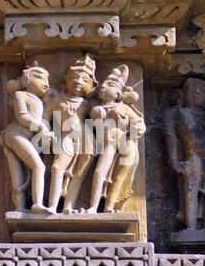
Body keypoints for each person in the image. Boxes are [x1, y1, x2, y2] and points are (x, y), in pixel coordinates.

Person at [164, 78, 205, 230]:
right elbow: (171, 137)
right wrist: (174, 160)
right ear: (182, 93)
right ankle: (191, 229)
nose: (197, 92)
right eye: (192, 89)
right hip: (192, 154)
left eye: (202, 90)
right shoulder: (174, 113)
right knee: (191, 189)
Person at [43, 55, 98, 214]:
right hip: (66, 136)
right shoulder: (55, 99)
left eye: (84, 79)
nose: (79, 81)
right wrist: (46, 131)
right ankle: (53, 206)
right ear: (66, 79)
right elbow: (44, 118)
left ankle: (68, 206)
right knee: (57, 166)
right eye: (75, 76)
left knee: (79, 173)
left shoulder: (86, 103)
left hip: (86, 138)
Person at [87, 65, 146, 214]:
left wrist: (136, 128)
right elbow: (97, 122)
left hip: (125, 144)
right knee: (100, 172)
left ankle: (109, 206)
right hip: (108, 145)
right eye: (103, 84)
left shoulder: (123, 107)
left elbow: (140, 123)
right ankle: (93, 206)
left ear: (119, 93)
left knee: (120, 176)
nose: (104, 87)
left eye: (110, 85)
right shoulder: (96, 108)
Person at [0, 64, 55, 214]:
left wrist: (46, 133)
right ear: (27, 79)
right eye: (39, 77)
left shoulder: (39, 102)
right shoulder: (20, 95)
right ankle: (37, 204)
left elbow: (41, 121)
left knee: (21, 172)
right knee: (39, 166)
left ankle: (20, 206)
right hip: (14, 134)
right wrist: (39, 127)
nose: (45, 82)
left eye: (47, 79)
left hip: (26, 137)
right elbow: (21, 116)